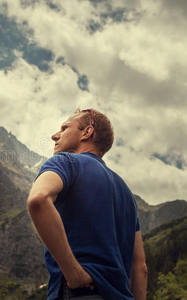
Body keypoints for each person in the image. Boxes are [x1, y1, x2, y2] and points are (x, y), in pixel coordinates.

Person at [27, 109, 148, 300]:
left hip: (80, 292)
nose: (54, 135)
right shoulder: (127, 194)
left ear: (87, 132)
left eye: (65, 128)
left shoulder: (65, 162)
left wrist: (73, 273)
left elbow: (38, 200)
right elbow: (140, 268)